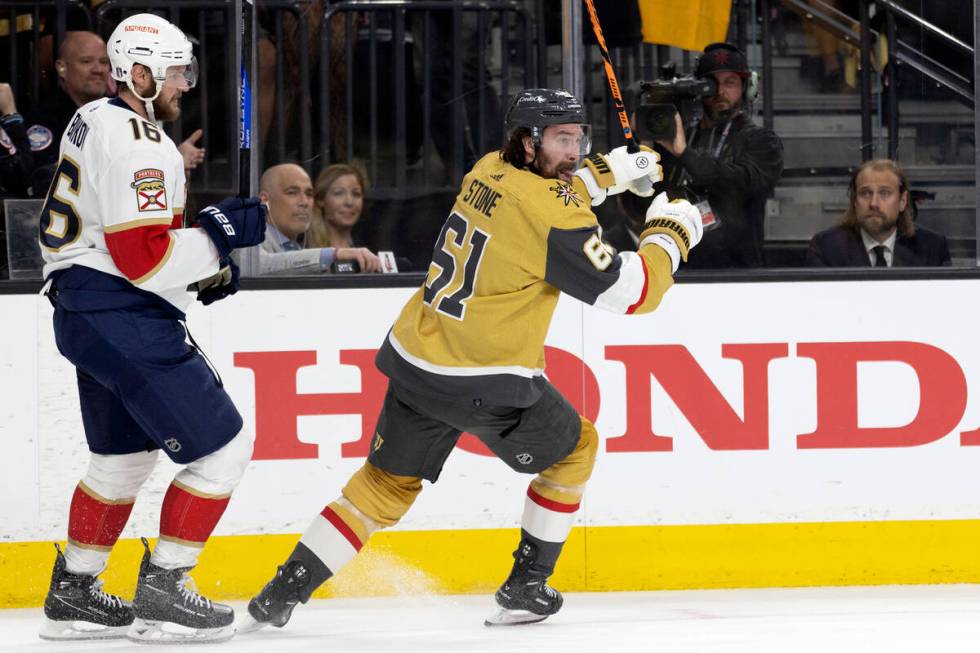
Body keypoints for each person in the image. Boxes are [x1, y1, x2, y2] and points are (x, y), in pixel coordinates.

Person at [238, 88, 703, 632]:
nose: (574, 150)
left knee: (382, 487)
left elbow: (556, 192)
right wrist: (671, 232)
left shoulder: (487, 169)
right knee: (577, 449)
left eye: (579, 138)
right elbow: (634, 291)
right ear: (528, 144)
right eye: (561, 139)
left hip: (419, 358)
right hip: (486, 376)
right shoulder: (556, 217)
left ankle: (282, 591)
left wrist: (615, 170)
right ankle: (525, 588)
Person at [37, 14, 267, 643]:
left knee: (121, 458)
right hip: (120, 313)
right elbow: (143, 258)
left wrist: (202, 270)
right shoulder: (141, 140)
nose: (182, 85)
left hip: (86, 308)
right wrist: (218, 237)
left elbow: (120, 242)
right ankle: (166, 586)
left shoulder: (94, 120)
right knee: (223, 452)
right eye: (173, 73)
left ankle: (75, 590)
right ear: (138, 73)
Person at [626, 42, 783, 268]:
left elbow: (740, 183)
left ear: (748, 87)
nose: (720, 92)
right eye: (711, 84)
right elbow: (638, 207)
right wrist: (646, 145)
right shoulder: (673, 138)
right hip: (673, 270)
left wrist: (684, 153)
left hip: (738, 276)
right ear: (697, 90)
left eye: (730, 82)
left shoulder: (762, 141)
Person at [805, 159, 951, 267]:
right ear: (855, 201)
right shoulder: (826, 248)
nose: (874, 203)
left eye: (885, 193)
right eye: (865, 193)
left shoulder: (933, 248)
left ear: (902, 201)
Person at [258, 162, 381, 274]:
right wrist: (335, 254)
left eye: (309, 194)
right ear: (264, 201)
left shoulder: (294, 247)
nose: (304, 202)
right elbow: (259, 264)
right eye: (292, 192)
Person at [306, 163, 368, 249]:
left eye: (356, 194)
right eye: (339, 193)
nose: (349, 202)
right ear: (320, 200)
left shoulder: (371, 248)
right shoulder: (304, 248)